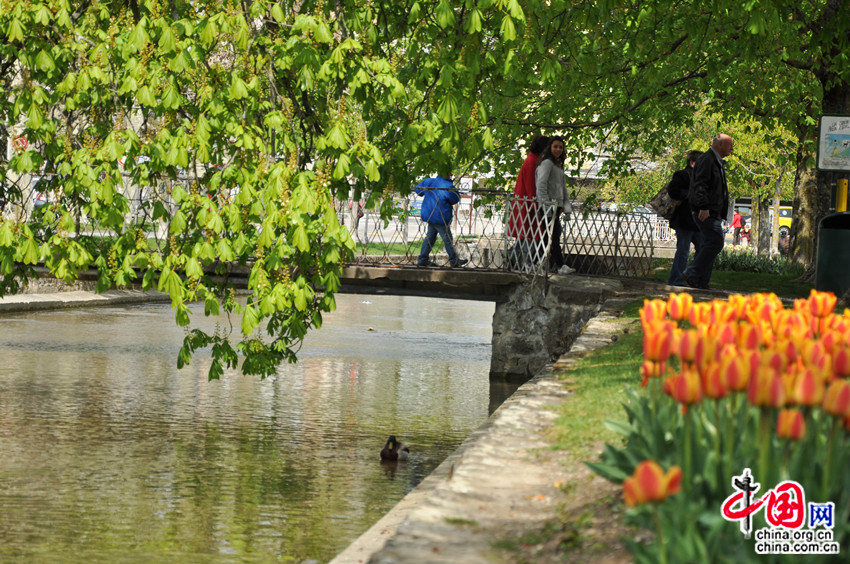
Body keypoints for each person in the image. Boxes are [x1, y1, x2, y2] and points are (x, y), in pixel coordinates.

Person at [682, 134, 734, 289]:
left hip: (713, 211)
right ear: (719, 145)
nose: (732, 148)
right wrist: (704, 206)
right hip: (706, 212)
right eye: (729, 144)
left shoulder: (715, 161)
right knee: (715, 242)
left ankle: (700, 281)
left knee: (708, 245)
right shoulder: (708, 159)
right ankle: (692, 272)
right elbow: (700, 185)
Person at [507, 135, 549, 269]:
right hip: (527, 204)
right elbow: (531, 186)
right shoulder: (532, 161)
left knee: (527, 235)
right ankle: (524, 262)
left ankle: (513, 257)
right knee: (530, 234)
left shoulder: (533, 159)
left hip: (525, 203)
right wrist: (536, 204)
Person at [536, 136, 575, 274]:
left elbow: (563, 188)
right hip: (548, 206)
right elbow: (541, 184)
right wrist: (546, 205)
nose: (558, 149)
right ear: (550, 148)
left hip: (556, 206)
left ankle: (552, 265)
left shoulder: (557, 165)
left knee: (553, 236)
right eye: (555, 146)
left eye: (561, 147)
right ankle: (557, 265)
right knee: (551, 237)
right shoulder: (546, 163)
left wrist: (566, 206)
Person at [414, 170, 468, 268]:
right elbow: (455, 199)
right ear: (447, 174)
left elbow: (418, 190)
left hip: (430, 215)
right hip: (440, 217)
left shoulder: (428, 181)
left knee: (430, 237)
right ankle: (454, 261)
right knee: (447, 238)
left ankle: (423, 259)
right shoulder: (447, 186)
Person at [667, 150, 703, 286]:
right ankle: (676, 280)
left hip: (697, 220)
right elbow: (673, 191)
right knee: (683, 251)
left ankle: (692, 277)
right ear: (692, 163)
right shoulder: (682, 175)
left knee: (702, 249)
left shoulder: (702, 177)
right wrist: (688, 194)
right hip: (685, 219)